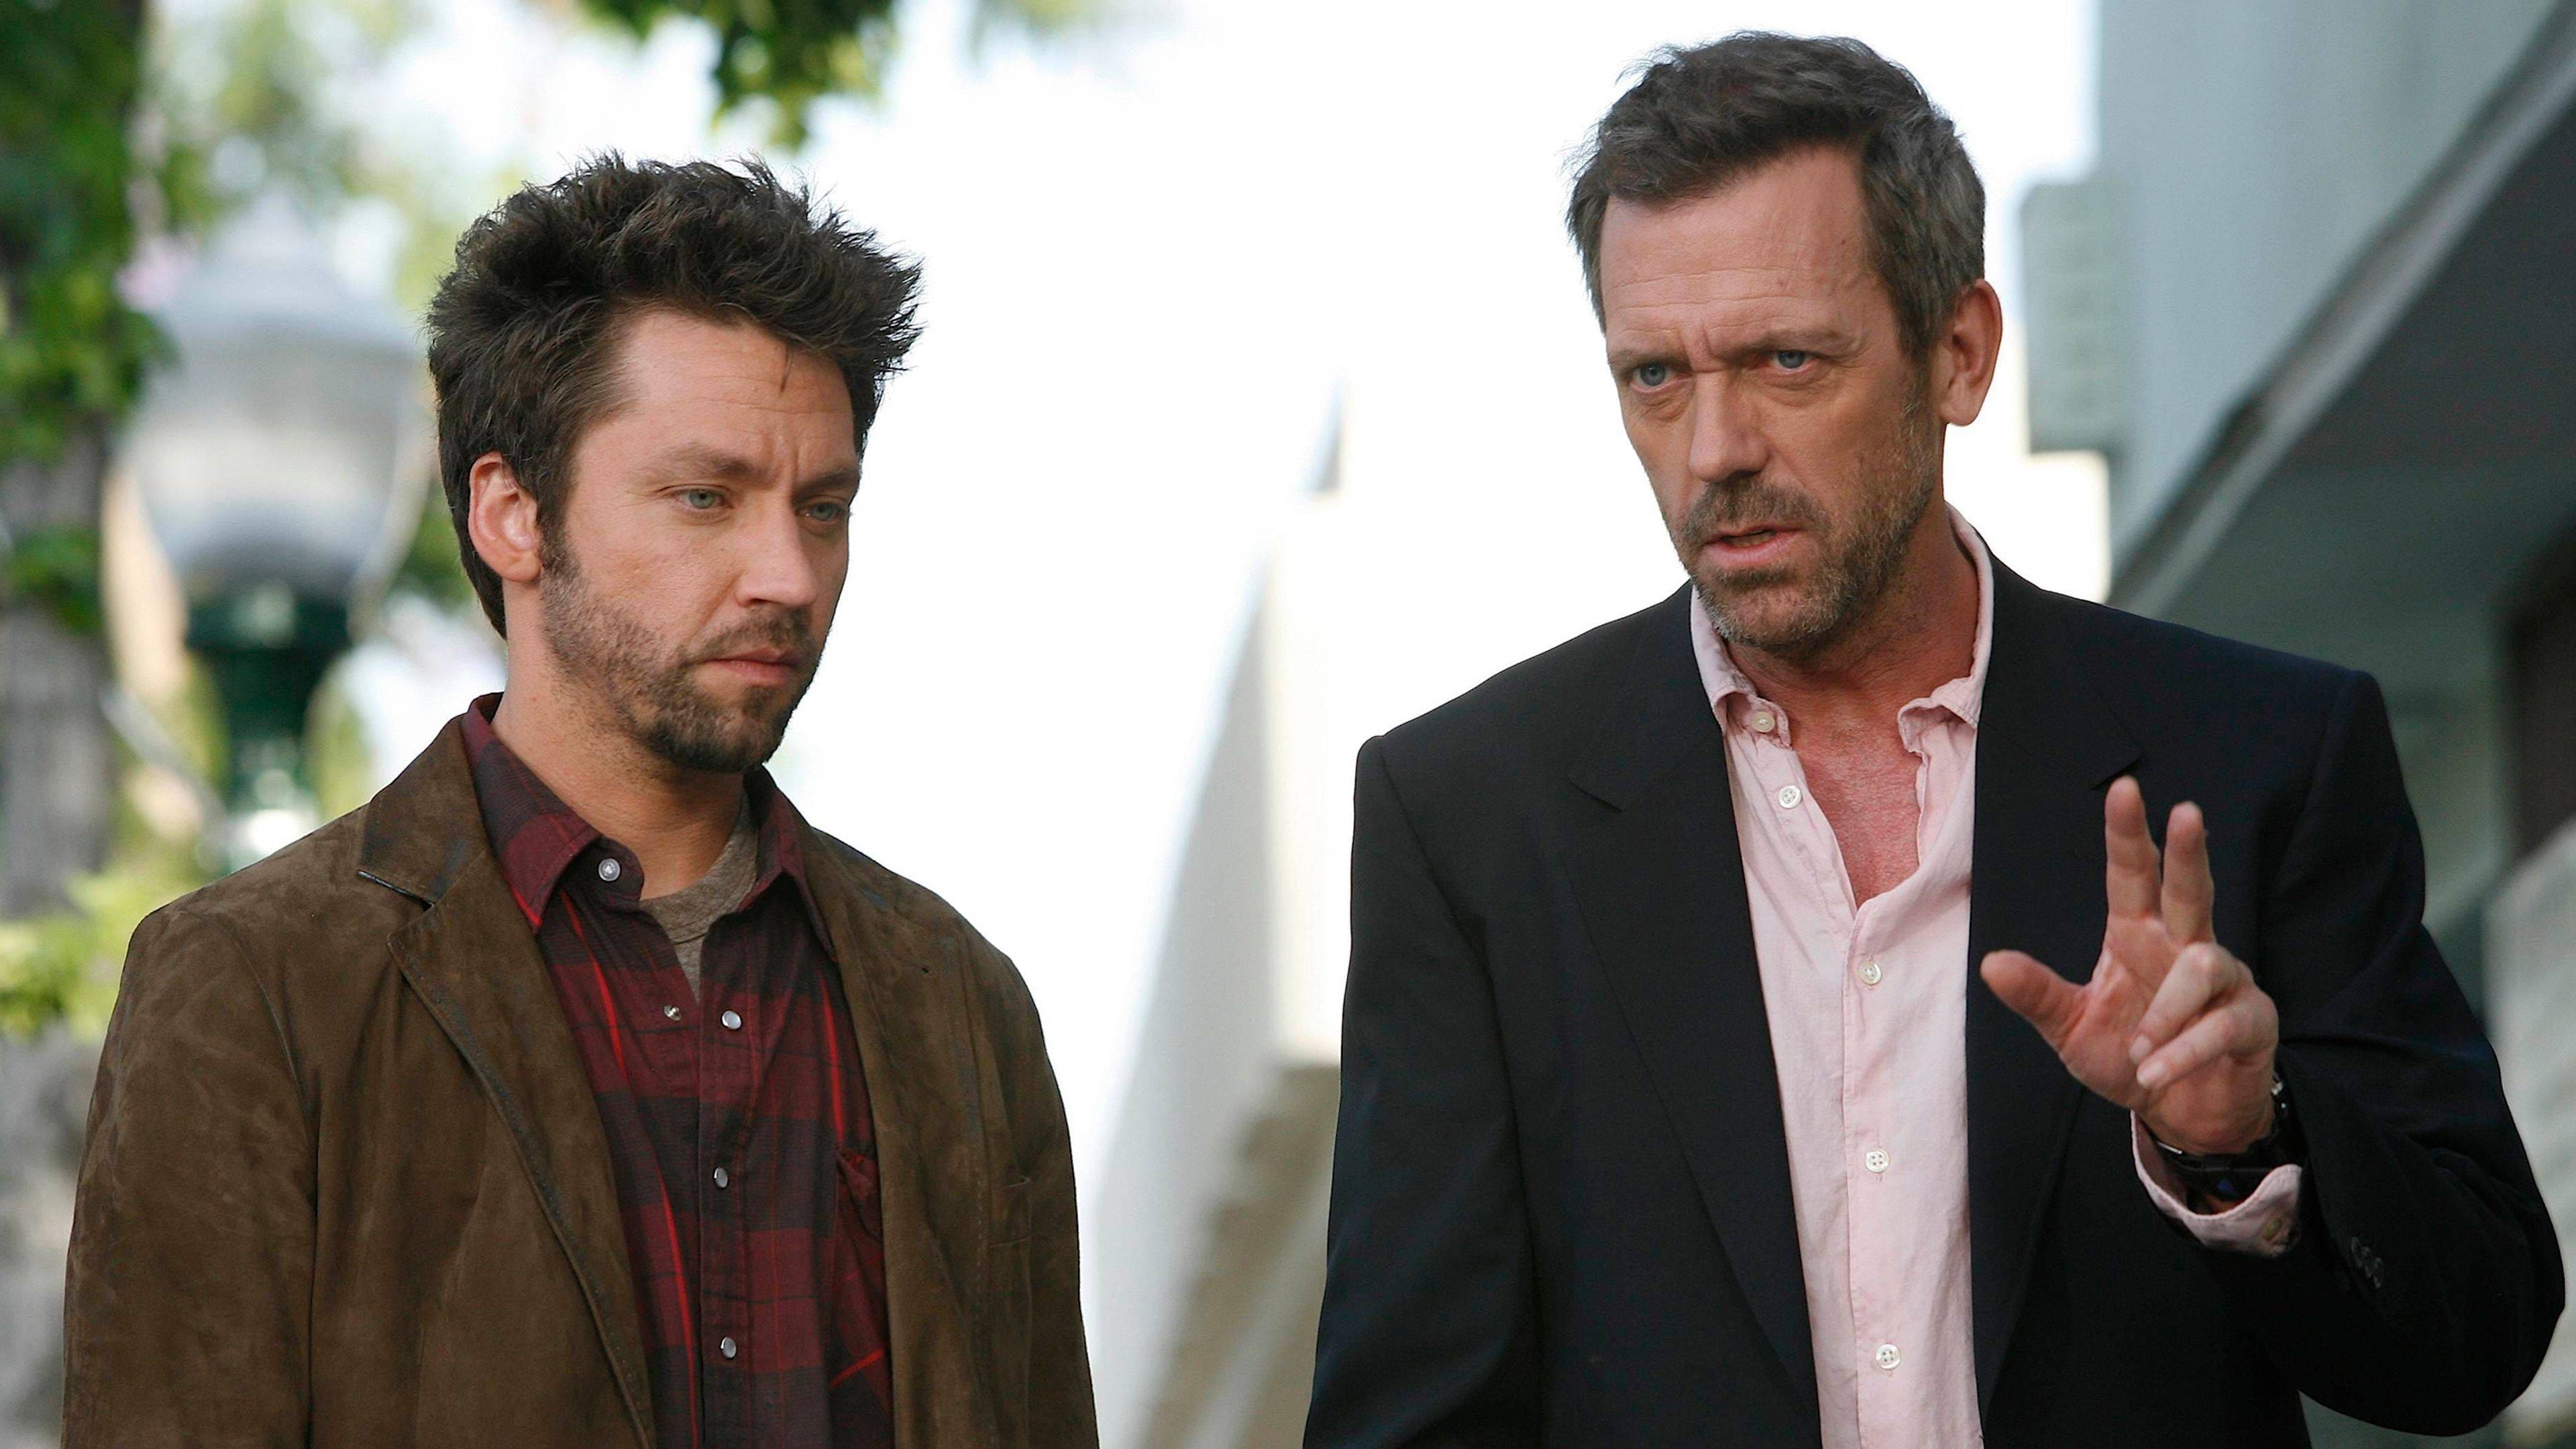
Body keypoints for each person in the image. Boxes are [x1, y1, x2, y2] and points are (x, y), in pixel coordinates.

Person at [1307, 33, 2561, 1449]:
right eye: (1655, 377)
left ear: (1958, 354)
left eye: (1787, 361)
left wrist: (2240, 1140)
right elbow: (1408, 1415)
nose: (1714, 449)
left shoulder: (2261, 755)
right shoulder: (1472, 817)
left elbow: (2480, 1339)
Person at [63, 156, 1095, 1449]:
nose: (787, 573)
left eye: (823, 508)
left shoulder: (959, 1008)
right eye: (705, 497)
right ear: (513, 514)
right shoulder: (256, 982)